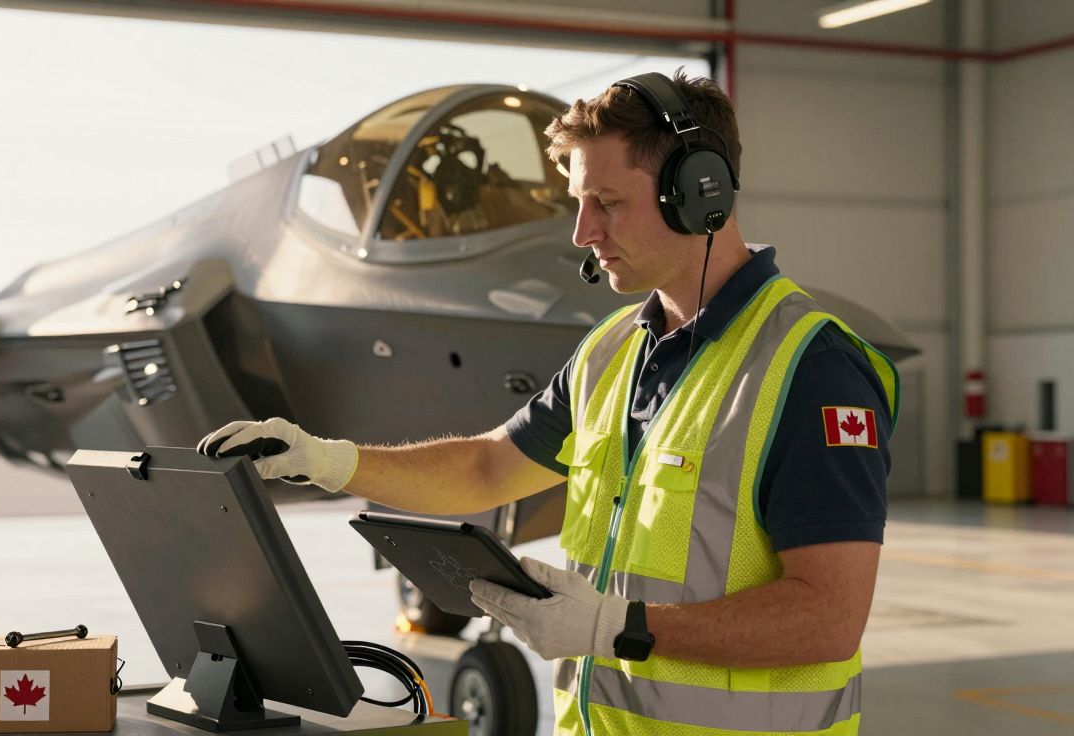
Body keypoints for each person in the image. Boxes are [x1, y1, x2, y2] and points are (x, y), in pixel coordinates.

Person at [199, 70, 897, 736]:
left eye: (609, 204)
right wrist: (327, 460)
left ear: (700, 191)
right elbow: (489, 470)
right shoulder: (611, 351)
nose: (582, 233)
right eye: (579, 204)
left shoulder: (811, 367)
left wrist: (618, 626)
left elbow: (826, 617)